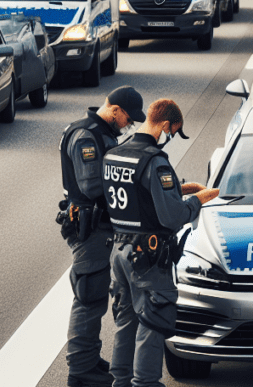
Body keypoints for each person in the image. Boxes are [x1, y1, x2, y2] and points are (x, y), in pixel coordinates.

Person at [104, 99, 219, 387]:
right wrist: (197, 200)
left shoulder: (115, 154)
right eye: (173, 132)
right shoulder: (155, 161)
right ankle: (145, 383)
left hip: (119, 250)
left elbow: (137, 196)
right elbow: (171, 217)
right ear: (165, 125)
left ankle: (121, 381)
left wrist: (179, 189)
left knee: (126, 322)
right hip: (147, 258)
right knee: (151, 323)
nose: (169, 138)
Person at [57, 86, 145, 387]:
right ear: (115, 110)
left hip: (97, 226)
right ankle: (81, 371)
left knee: (94, 296)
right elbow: (95, 186)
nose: (129, 125)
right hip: (90, 227)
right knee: (89, 296)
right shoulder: (87, 136)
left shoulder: (99, 132)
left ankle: (90, 358)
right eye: (128, 119)